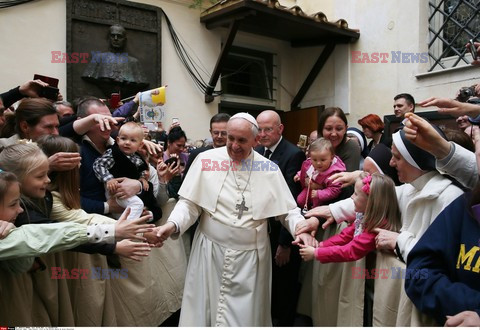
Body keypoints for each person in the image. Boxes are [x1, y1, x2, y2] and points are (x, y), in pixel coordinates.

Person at [153, 113, 316, 326]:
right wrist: (172, 224)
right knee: (205, 316)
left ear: (256, 141)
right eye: (231, 138)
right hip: (209, 253)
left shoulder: (269, 169)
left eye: (242, 140)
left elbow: (287, 211)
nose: (234, 146)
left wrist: (300, 229)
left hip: (251, 260)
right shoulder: (206, 161)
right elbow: (189, 204)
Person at [255, 109, 306, 326]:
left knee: (284, 285)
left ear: (280, 129)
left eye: (268, 129)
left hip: (282, 232)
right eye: (260, 129)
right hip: (262, 231)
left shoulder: (293, 154)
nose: (263, 134)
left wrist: (285, 243)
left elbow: (290, 201)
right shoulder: (256, 151)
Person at [299, 173, 401, 263]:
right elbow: (346, 235)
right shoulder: (364, 217)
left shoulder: (376, 229)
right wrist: (321, 245)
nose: (351, 197)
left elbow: (351, 251)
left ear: (371, 202)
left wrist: (317, 253)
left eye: (356, 194)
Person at [93, 122, 161, 222]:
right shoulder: (113, 153)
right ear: (117, 139)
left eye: (133, 140)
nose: (127, 142)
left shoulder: (136, 157)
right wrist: (109, 179)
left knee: (139, 206)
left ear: (140, 144)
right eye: (124, 138)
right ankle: (126, 227)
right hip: (115, 191)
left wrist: (142, 179)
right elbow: (98, 164)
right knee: (137, 204)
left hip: (129, 194)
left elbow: (142, 169)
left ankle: (128, 226)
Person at [82, 24, 149, 97]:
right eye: (113, 36)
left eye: (119, 36)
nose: (116, 38)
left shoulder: (134, 62)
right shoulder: (98, 58)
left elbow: (142, 83)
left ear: (124, 39)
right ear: (108, 38)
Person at [295, 138, 345, 211]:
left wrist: (319, 194)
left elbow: (335, 190)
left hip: (323, 196)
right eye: (314, 160)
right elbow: (307, 168)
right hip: (309, 188)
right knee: (300, 200)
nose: (318, 163)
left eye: (323, 160)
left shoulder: (334, 173)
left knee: (316, 209)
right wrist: (299, 174)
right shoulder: (310, 162)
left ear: (331, 158)